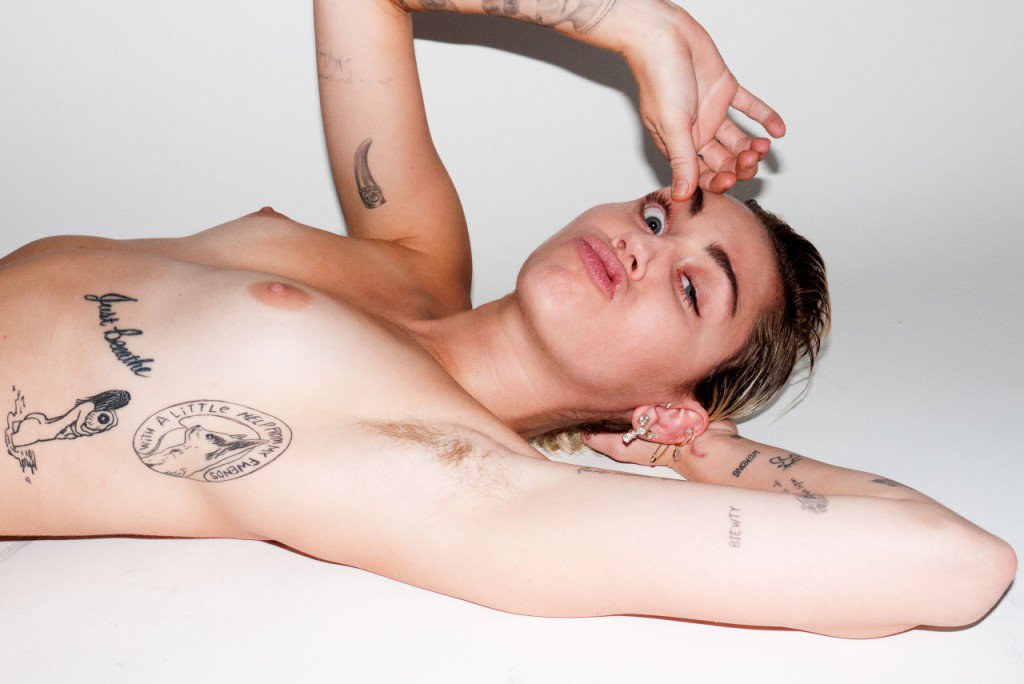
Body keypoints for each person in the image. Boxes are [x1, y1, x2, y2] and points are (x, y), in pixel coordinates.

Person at [0, 0, 1014, 639]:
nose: (646, 245)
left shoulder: (453, 475)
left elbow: (960, 565)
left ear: (666, 403)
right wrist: (618, 17)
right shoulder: (415, 252)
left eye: (691, 289)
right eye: (658, 216)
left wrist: (694, 448)